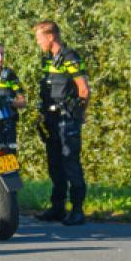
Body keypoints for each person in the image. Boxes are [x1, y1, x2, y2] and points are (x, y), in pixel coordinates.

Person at [34, 20, 90, 226]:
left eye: (40, 38)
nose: (38, 42)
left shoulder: (70, 57)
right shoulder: (49, 60)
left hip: (67, 119)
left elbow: (84, 89)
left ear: (50, 37)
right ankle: (58, 208)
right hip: (51, 118)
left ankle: (77, 210)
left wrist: (79, 114)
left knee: (70, 163)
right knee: (55, 164)